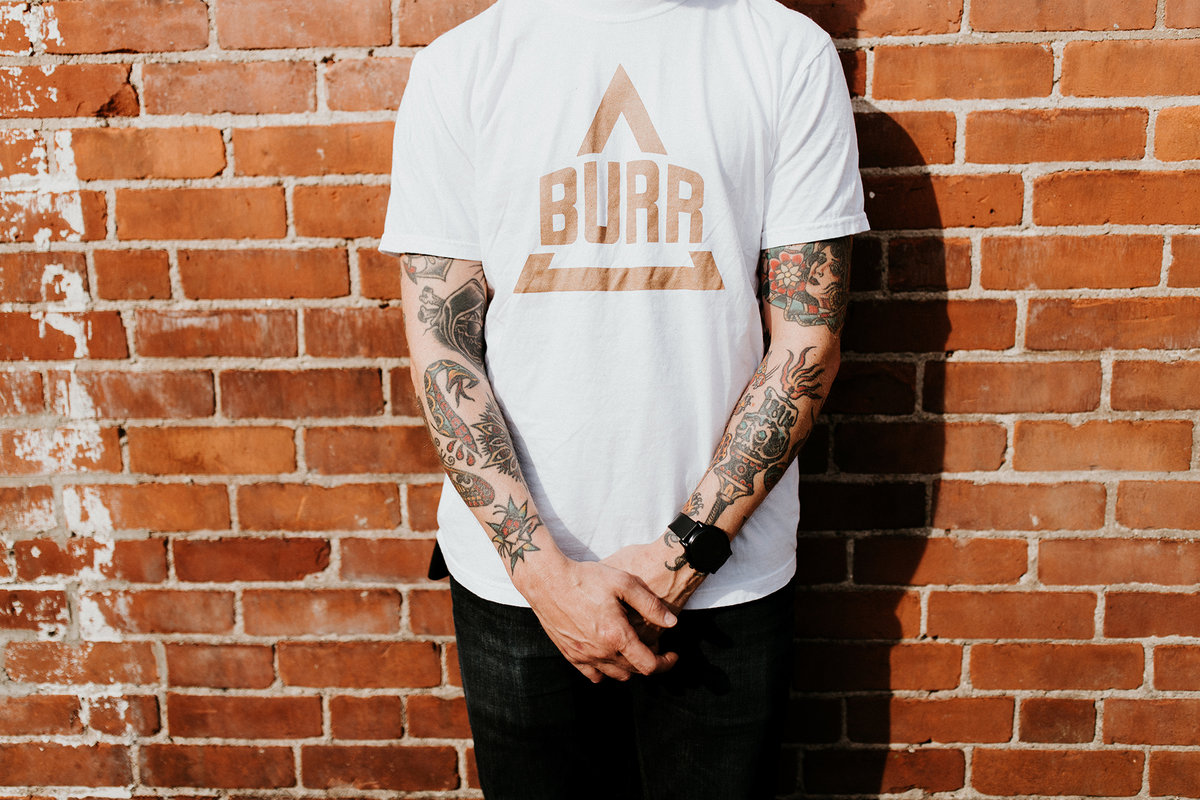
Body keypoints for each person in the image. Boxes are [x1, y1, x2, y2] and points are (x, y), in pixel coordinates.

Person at [381, 0, 867, 795]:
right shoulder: (462, 66)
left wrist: (685, 557)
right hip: (520, 589)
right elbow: (445, 351)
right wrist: (544, 575)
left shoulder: (784, 52)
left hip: (724, 582)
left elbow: (806, 341)